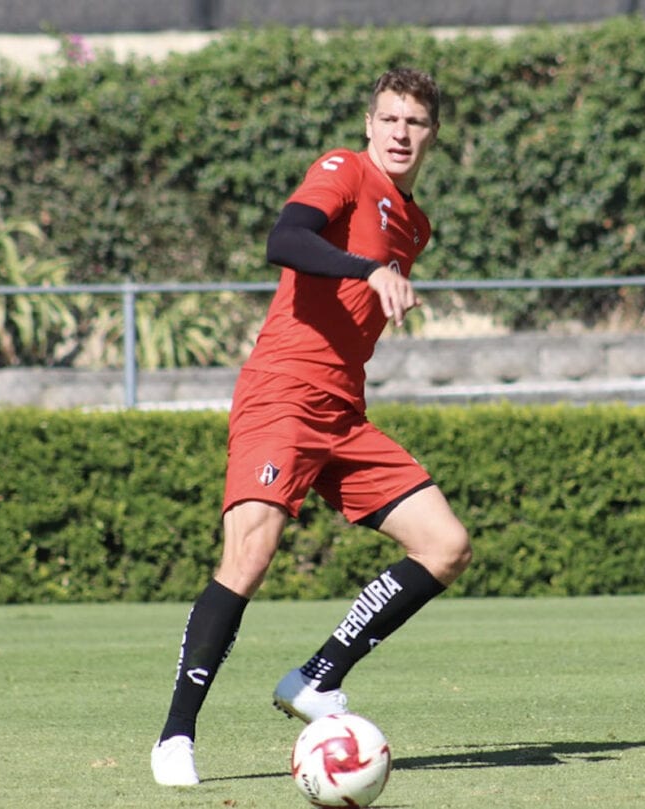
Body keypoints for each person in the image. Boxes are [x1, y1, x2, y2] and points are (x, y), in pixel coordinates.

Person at [151, 67, 471, 786]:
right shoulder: (343, 171)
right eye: (389, 118)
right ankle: (175, 734)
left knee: (446, 545)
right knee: (250, 555)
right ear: (368, 124)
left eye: (415, 123)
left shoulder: (415, 222)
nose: (400, 133)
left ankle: (316, 677)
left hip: (343, 413)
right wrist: (369, 268)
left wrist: (380, 268)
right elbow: (286, 238)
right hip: (282, 395)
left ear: (432, 136)